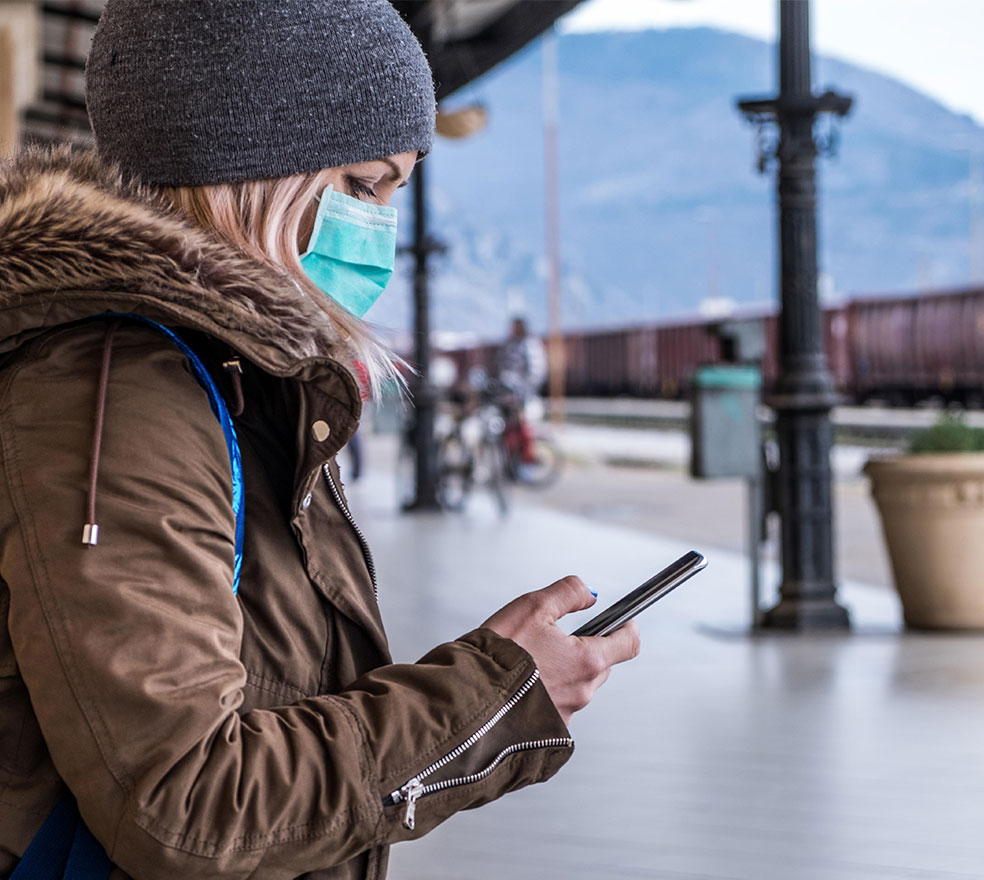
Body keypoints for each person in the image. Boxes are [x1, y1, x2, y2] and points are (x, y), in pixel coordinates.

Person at [0, 3, 638, 879]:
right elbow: (187, 805)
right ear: (250, 167)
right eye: (365, 184)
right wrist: (492, 696)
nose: (380, 226)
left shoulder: (233, 378)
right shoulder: (124, 394)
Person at [497, 316, 549, 404]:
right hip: (511, 385)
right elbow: (503, 365)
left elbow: (536, 369)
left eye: (514, 327)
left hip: (525, 388)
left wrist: (526, 385)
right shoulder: (510, 344)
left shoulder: (531, 344)